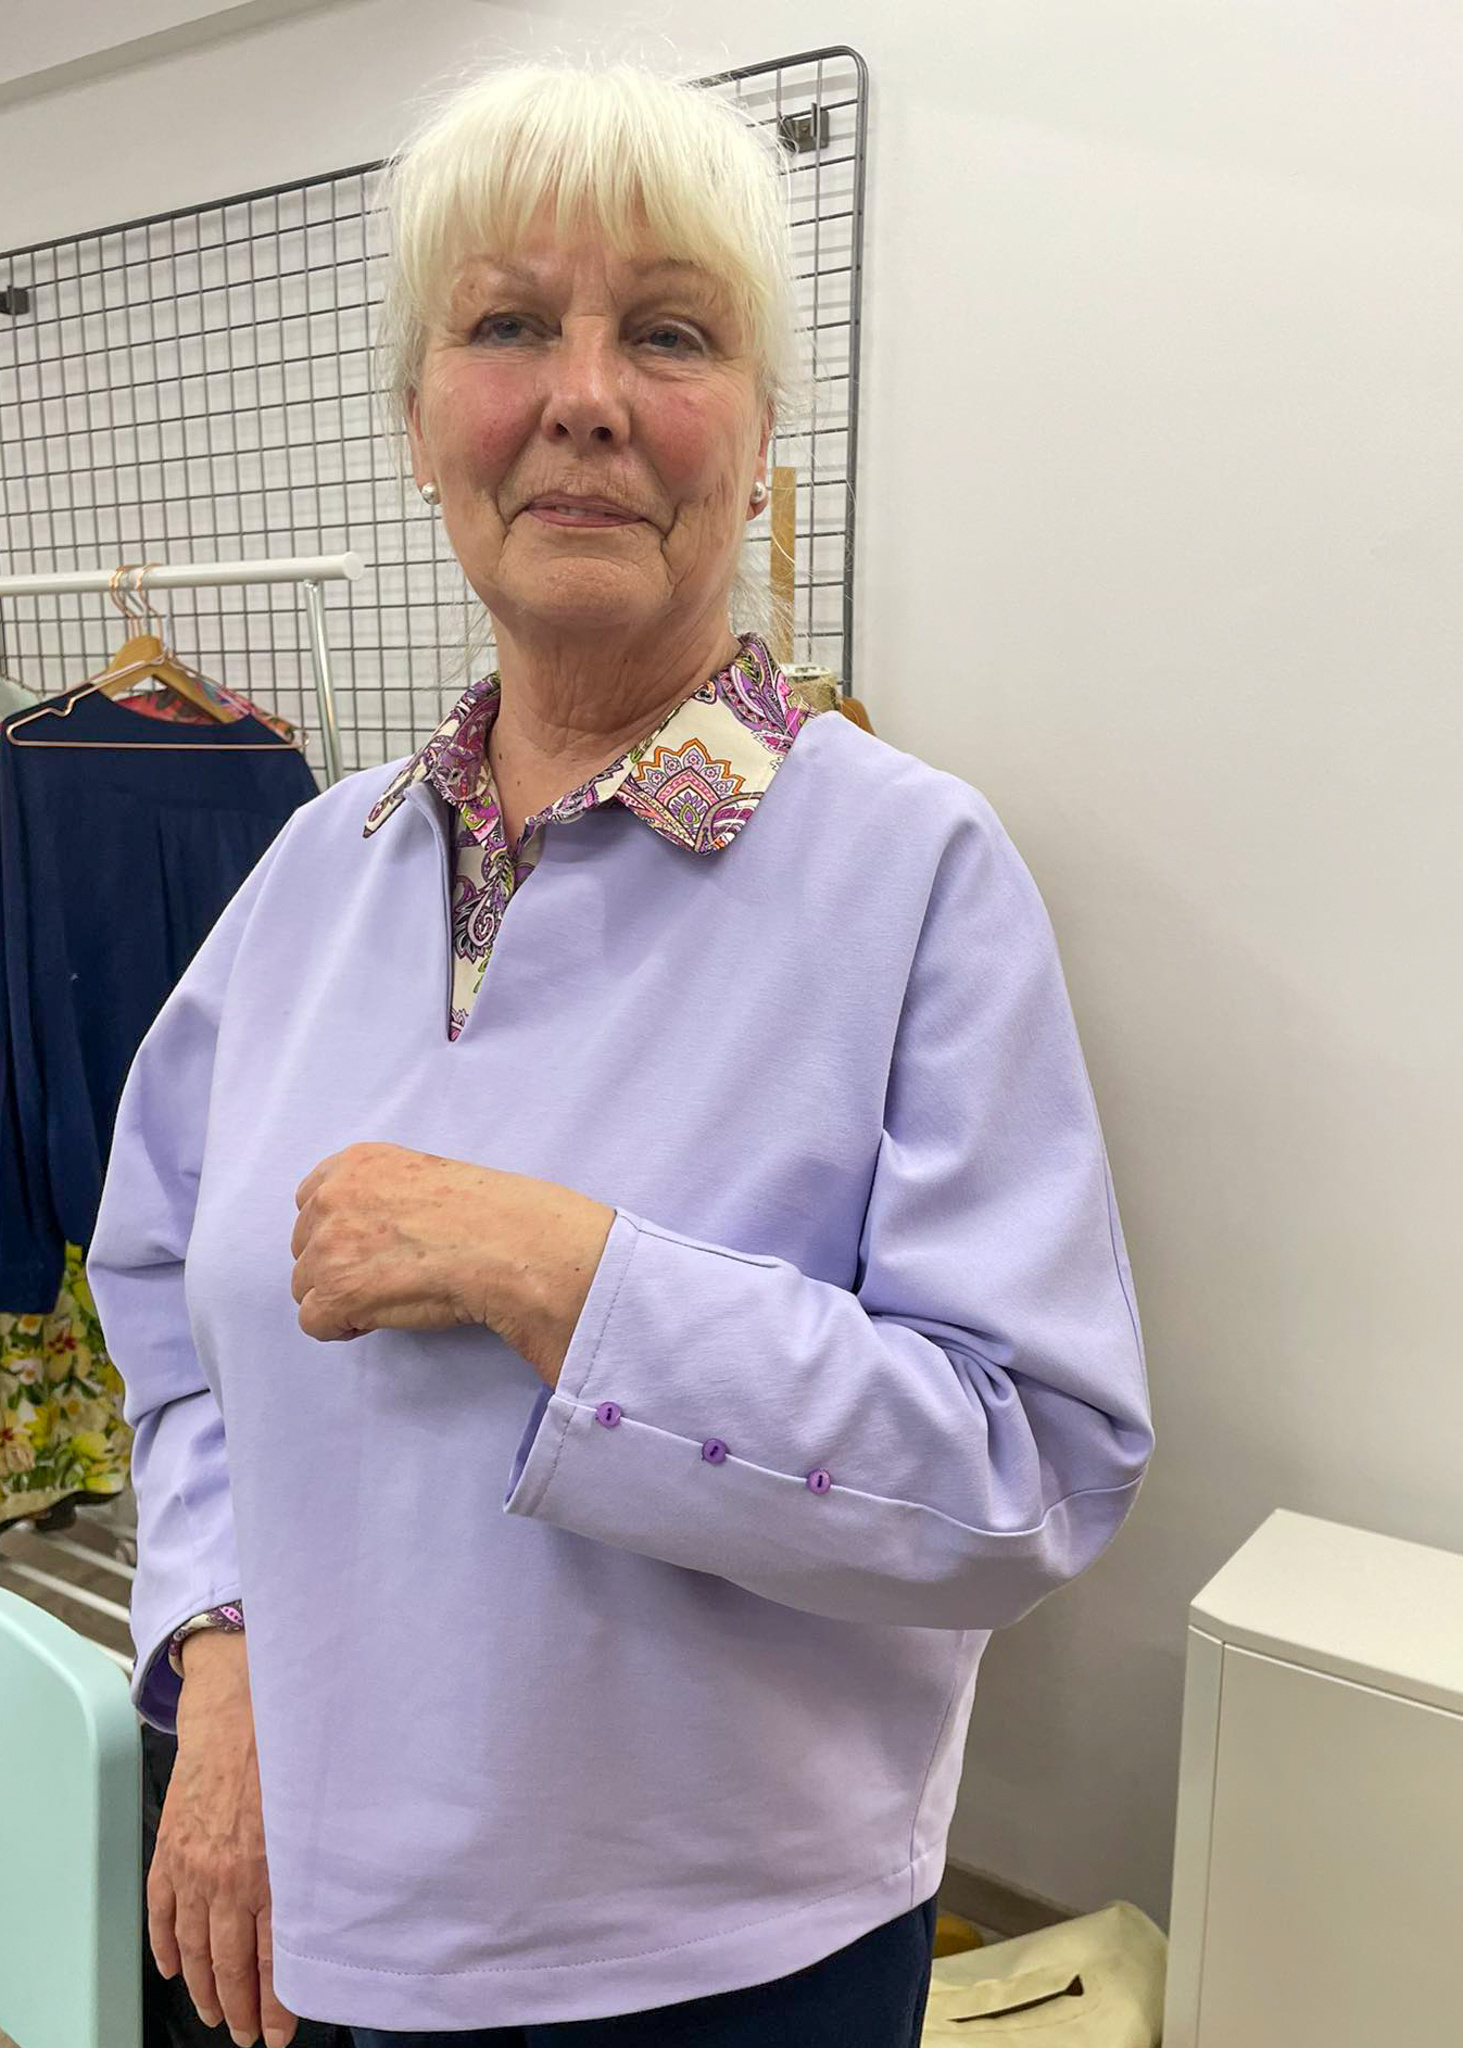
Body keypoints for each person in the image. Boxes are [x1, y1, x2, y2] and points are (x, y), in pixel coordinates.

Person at [85, 56, 1156, 2048]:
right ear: (422, 422)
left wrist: (569, 1279)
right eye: (507, 326)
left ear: (757, 438)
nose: (582, 394)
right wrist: (217, 1654)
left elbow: (1026, 1468)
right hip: (309, 1912)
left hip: (713, 1970)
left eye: (668, 333)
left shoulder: (912, 871)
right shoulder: (322, 867)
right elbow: (169, 1311)